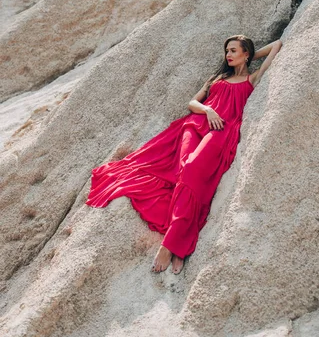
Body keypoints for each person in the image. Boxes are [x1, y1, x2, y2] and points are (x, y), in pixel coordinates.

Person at [85, 35, 282, 275]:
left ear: (246, 54)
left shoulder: (251, 78)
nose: (228, 55)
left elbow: (277, 46)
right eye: (226, 51)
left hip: (221, 130)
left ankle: (172, 242)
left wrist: (251, 52)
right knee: (183, 172)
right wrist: (208, 109)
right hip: (195, 124)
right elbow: (192, 102)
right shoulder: (218, 78)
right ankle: (179, 243)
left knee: (191, 171)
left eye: (233, 51)